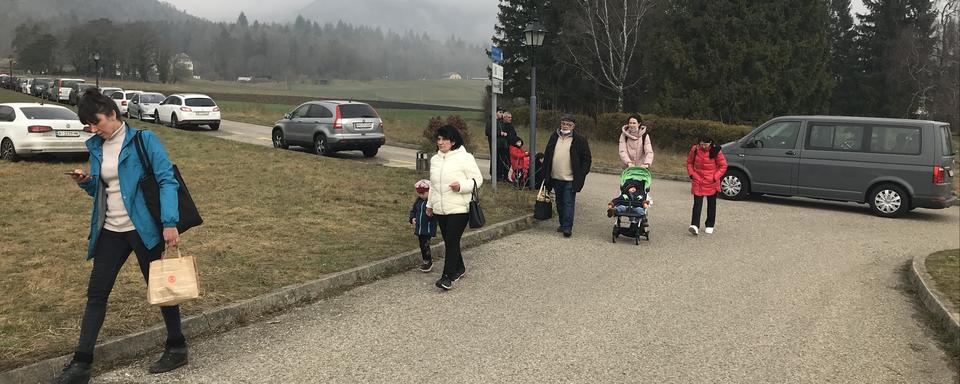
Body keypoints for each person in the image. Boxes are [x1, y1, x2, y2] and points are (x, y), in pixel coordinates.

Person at [55, 90, 187, 383]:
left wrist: (169, 222)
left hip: (144, 229)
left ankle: (177, 346)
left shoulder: (145, 140)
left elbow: (167, 180)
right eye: (88, 125)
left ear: (112, 113)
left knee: (161, 289)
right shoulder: (97, 147)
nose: (92, 129)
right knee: (97, 293)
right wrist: (87, 182)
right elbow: (103, 190)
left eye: (95, 121)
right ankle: (81, 363)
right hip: (110, 231)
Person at [426, 125, 483, 290]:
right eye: (438, 139)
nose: (440, 142)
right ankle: (459, 268)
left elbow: (477, 180)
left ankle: (447, 276)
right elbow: (434, 185)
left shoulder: (465, 158)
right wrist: (430, 205)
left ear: (453, 141)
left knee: (451, 240)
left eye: (444, 139)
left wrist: (462, 186)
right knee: (451, 241)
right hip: (440, 208)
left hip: (460, 208)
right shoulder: (435, 160)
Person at [541, 114, 592, 238]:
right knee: (559, 202)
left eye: (568, 124)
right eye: (563, 123)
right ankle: (563, 224)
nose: (565, 126)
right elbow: (548, 154)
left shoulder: (579, 140)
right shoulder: (554, 137)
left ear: (573, 126)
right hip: (555, 176)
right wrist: (545, 172)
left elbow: (587, 159)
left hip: (570, 178)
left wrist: (582, 172)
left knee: (568, 202)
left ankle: (568, 227)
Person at [686, 134, 728, 235]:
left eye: (706, 144)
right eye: (702, 144)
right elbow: (689, 163)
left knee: (711, 204)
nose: (703, 146)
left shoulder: (716, 151)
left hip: (711, 181)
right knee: (697, 203)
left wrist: (715, 177)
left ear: (710, 143)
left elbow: (723, 166)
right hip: (698, 180)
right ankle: (694, 225)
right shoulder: (695, 149)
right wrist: (692, 174)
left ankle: (710, 224)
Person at [409, 179, 437, 273]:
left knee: (425, 245)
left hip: (427, 227)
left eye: (423, 193)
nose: (421, 195)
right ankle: (425, 260)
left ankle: (428, 261)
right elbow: (414, 210)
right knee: (422, 245)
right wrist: (412, 218)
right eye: (419, 193)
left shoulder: (432, 202)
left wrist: (432, 215)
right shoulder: (418, 201)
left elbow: (435, 213)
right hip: (420, 228)